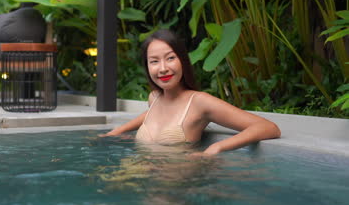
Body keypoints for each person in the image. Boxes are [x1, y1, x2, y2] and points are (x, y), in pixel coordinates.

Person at [100, 29, 281, 155]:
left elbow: (268, 128)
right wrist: (118, 131)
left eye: (170, 58)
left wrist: (216, 148)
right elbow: (153, 114)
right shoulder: (154, 98)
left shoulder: (199, 102)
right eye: (154, 61)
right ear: (147, 67)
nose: (163, 68)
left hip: (178, 188)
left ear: (182, 61)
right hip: (143, 177)